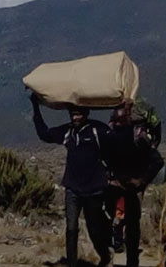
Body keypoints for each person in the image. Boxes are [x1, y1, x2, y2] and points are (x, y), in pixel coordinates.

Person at [33, 93, 115, 267]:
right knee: (71, 228)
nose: (76, 117)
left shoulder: (97, 130)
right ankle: (72, 263)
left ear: (86, 114)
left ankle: (105, 255)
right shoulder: (68, 131)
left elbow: (115, 146)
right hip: (72, 188)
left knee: (94, 229)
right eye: (73, 114)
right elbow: (45, 134)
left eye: (79, 114)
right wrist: (36, 107)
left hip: (94, 189)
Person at [103, 103, 164, 267]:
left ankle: (128, 260)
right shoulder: (113, 138)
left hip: (128, 186)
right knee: (118, 223)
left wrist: (140, 181)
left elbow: (157, 161)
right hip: (120, 184)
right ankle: (114, 257)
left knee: (130, 226)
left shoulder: (138, 140)